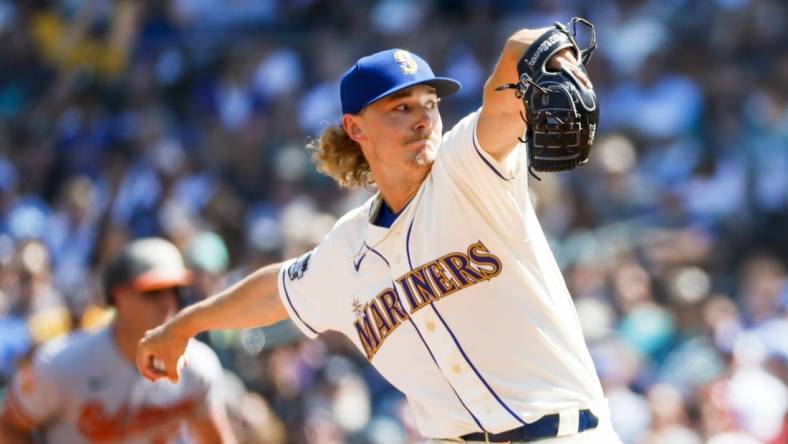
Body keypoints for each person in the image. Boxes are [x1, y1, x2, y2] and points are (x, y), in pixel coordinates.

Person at [137, 25, 623, 444]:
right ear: (356, 127)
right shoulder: (346, 249)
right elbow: (275, 290)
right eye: (399, 106)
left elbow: (517, 59)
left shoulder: (466, 168)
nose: (422, 117)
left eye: (429, 103)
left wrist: (551, 49)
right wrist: (182, 327)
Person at [0, 238, 237, 443]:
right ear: (119, 296)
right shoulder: (62, 363)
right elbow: (9, 427)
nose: (168, 303)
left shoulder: (197, 365)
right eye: (153, 292)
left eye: (175, 291)